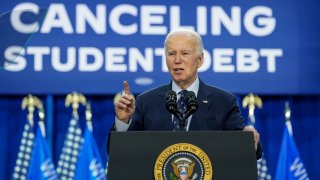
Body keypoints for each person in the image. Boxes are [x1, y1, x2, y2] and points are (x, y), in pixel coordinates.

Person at [114, 28, 262, 158]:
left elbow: (249, 150)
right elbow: (118, 152)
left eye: (185, 53)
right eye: (171, 54)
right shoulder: (146, 101)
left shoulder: (223, 102)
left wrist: (249, 137)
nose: (177, 60)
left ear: (200, 60)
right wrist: (122, 122)